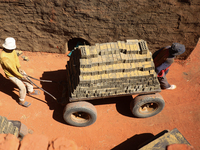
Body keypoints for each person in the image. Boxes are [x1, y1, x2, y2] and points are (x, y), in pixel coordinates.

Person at [0, 37, 40, 107]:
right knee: (22, 87)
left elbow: (16, 59)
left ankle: (30, 91)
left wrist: (19, 67)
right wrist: (21, 76)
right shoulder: (4, 58)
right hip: (11, 74)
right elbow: (12, 70)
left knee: (28, 79)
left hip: (17, 70)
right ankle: (21, 101)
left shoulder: (12, 51)